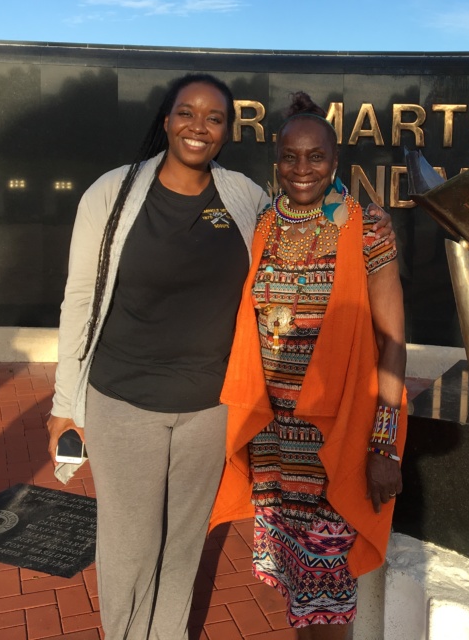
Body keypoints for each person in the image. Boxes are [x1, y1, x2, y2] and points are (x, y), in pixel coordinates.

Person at [47, 74, 395, 640]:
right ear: (166, 120)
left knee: (183, 546)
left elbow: (303, 218)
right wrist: (66, 402)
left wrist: (365, 222)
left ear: (228, 131)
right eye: (187, 113)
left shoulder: (241, 198)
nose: (199, 127)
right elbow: (80, 298)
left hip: (211, 408)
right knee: (130, 547)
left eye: (214, 118)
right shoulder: (110, 195)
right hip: (124, 401)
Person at [209, 92, 407, 637]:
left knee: (329, 600)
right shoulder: (261, 227)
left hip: (336, 443)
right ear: (277, 160)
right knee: (301, 594)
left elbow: (392, 342)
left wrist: (384, 444)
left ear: (335, 160)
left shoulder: (366, 229)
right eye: (291, 157)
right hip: (274, 447)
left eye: (315, 156)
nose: (302, 169)